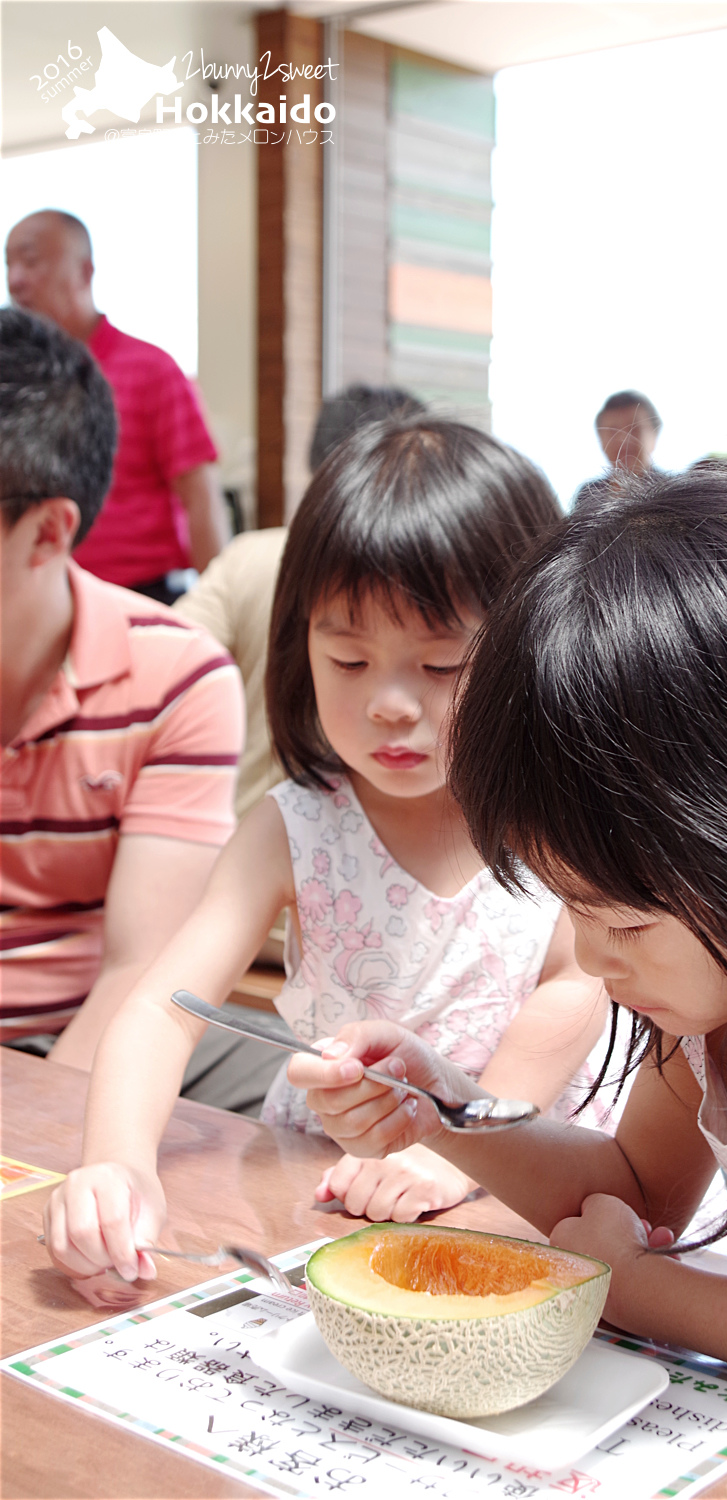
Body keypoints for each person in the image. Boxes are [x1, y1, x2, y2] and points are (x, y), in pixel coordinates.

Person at [279, 468, 727, 1414]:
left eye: (623, 922)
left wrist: (643, 1288)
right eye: (571, 907)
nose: (599, 962)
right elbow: (638, 1190)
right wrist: (442, 1114)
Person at [43, 416, 610, 1277]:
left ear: (529, 644)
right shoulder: (294, 826)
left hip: (523, 1192)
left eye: (440, 666)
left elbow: (578, 985)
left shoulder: (554, 815)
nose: (388, 702)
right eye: (347, 660)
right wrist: (116, 1162)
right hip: (330, 1199)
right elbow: (166, 1005)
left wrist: (460, 1143)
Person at [0, 308, 281, 1112]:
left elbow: (140, 965)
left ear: (49, 530)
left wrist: (33, 1145)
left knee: (298, 1110)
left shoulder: (174, 677)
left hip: (93, 1032)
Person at [175, 386, 426, 820]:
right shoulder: (434, 581)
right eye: (349, 660)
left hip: (239, 821)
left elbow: (165, 665)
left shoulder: (250, 557)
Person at [5, 210, 228, 604]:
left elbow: (201, 497)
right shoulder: (15, 381)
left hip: (144, 596)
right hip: (38, 599)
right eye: (9, 263)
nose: (16, 279)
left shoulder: (152, 370)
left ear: (85, 271)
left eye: (31, 260)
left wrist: (220, 608)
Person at [573, 390, 662, 513]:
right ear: (601, 439)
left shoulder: (673, 491)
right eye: (612, 431)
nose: (623, 440)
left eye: (634, 429)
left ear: (654, 435)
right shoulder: (588, 495)